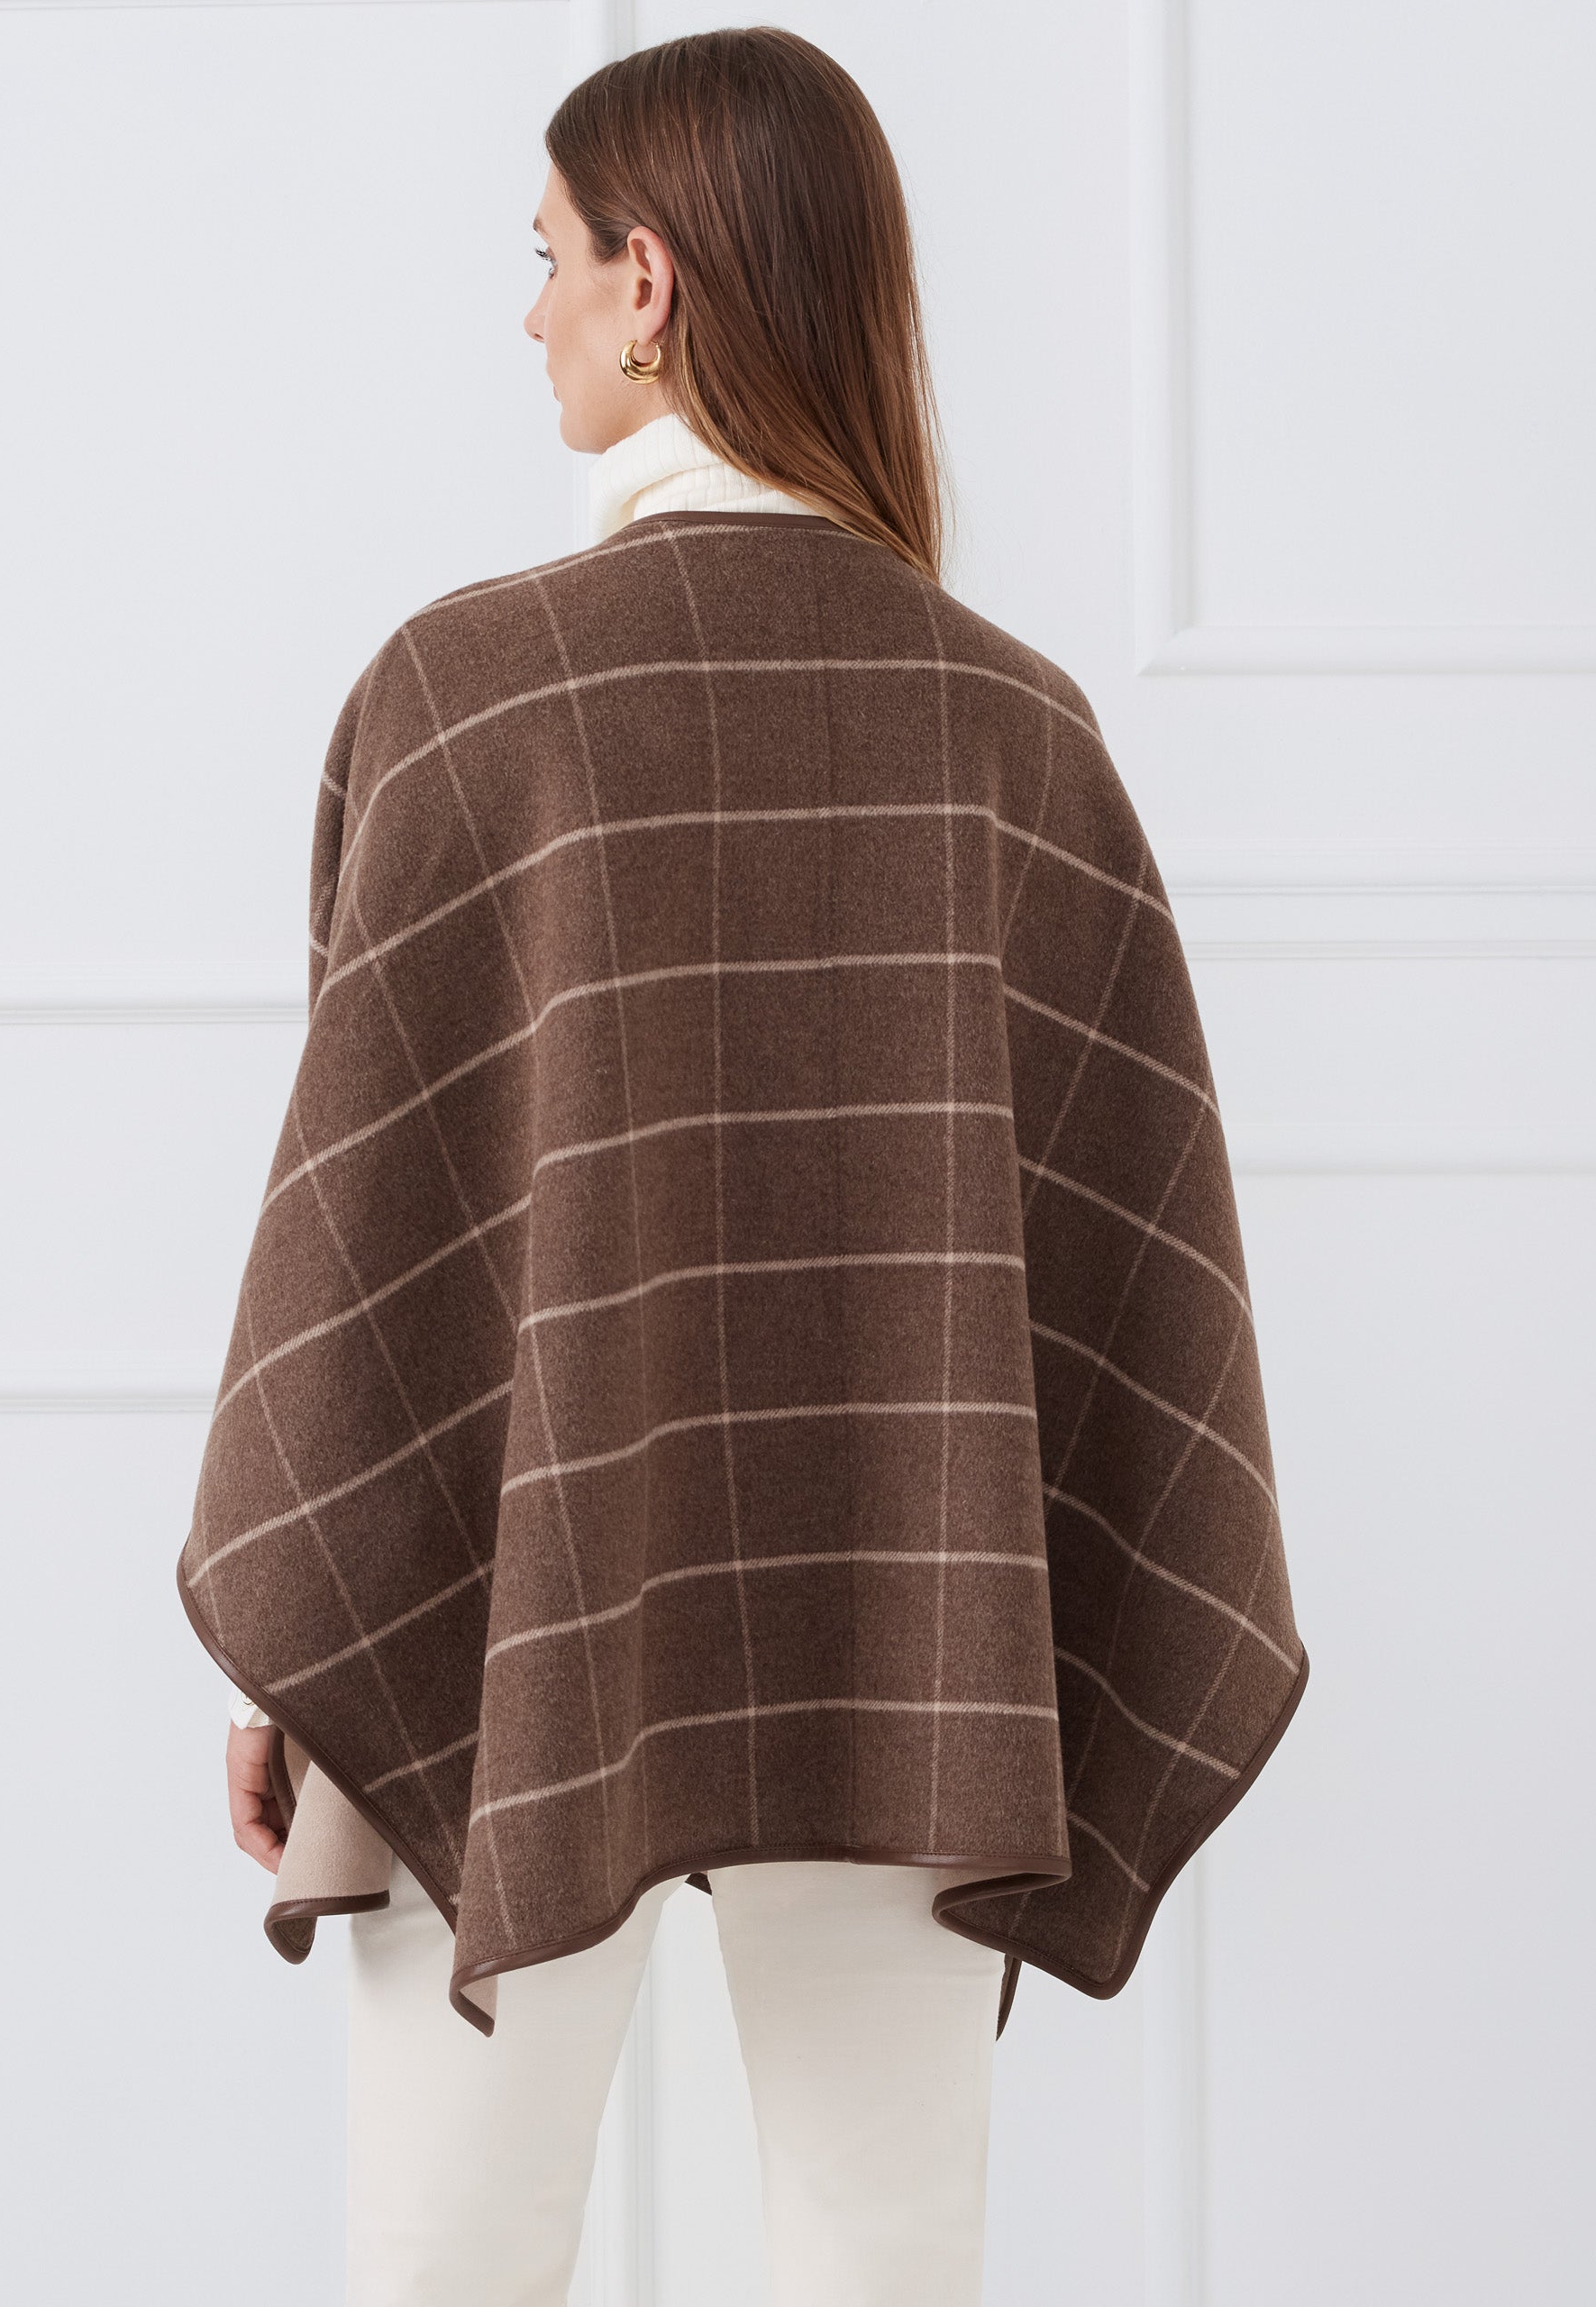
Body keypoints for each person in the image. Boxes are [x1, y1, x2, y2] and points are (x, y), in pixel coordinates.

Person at [186, 26, 1307, 2307]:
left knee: (446, 2257)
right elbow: (1130, 1255)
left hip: (510, 1599)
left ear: (653, 282)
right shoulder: (1018, 731)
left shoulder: (469, 697)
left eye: (546, 259)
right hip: (914, 1608)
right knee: (889, 2251)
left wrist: (313, 1642)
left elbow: (370, 1245)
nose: (529, 315)